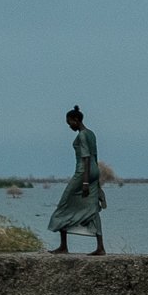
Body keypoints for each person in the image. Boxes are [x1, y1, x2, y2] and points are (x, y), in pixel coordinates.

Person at [48, 105, 107, 255]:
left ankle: (63, 246)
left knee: (64, 205)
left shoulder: (82, 135)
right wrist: (97, 182)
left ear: (76, 119)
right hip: (94, 171)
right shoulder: (91, 134)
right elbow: (95, 157)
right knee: (92, 207)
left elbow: (86, 158)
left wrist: (85, 182)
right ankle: (100, 247)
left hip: (83, 173)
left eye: (70, 123)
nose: (69, 126)